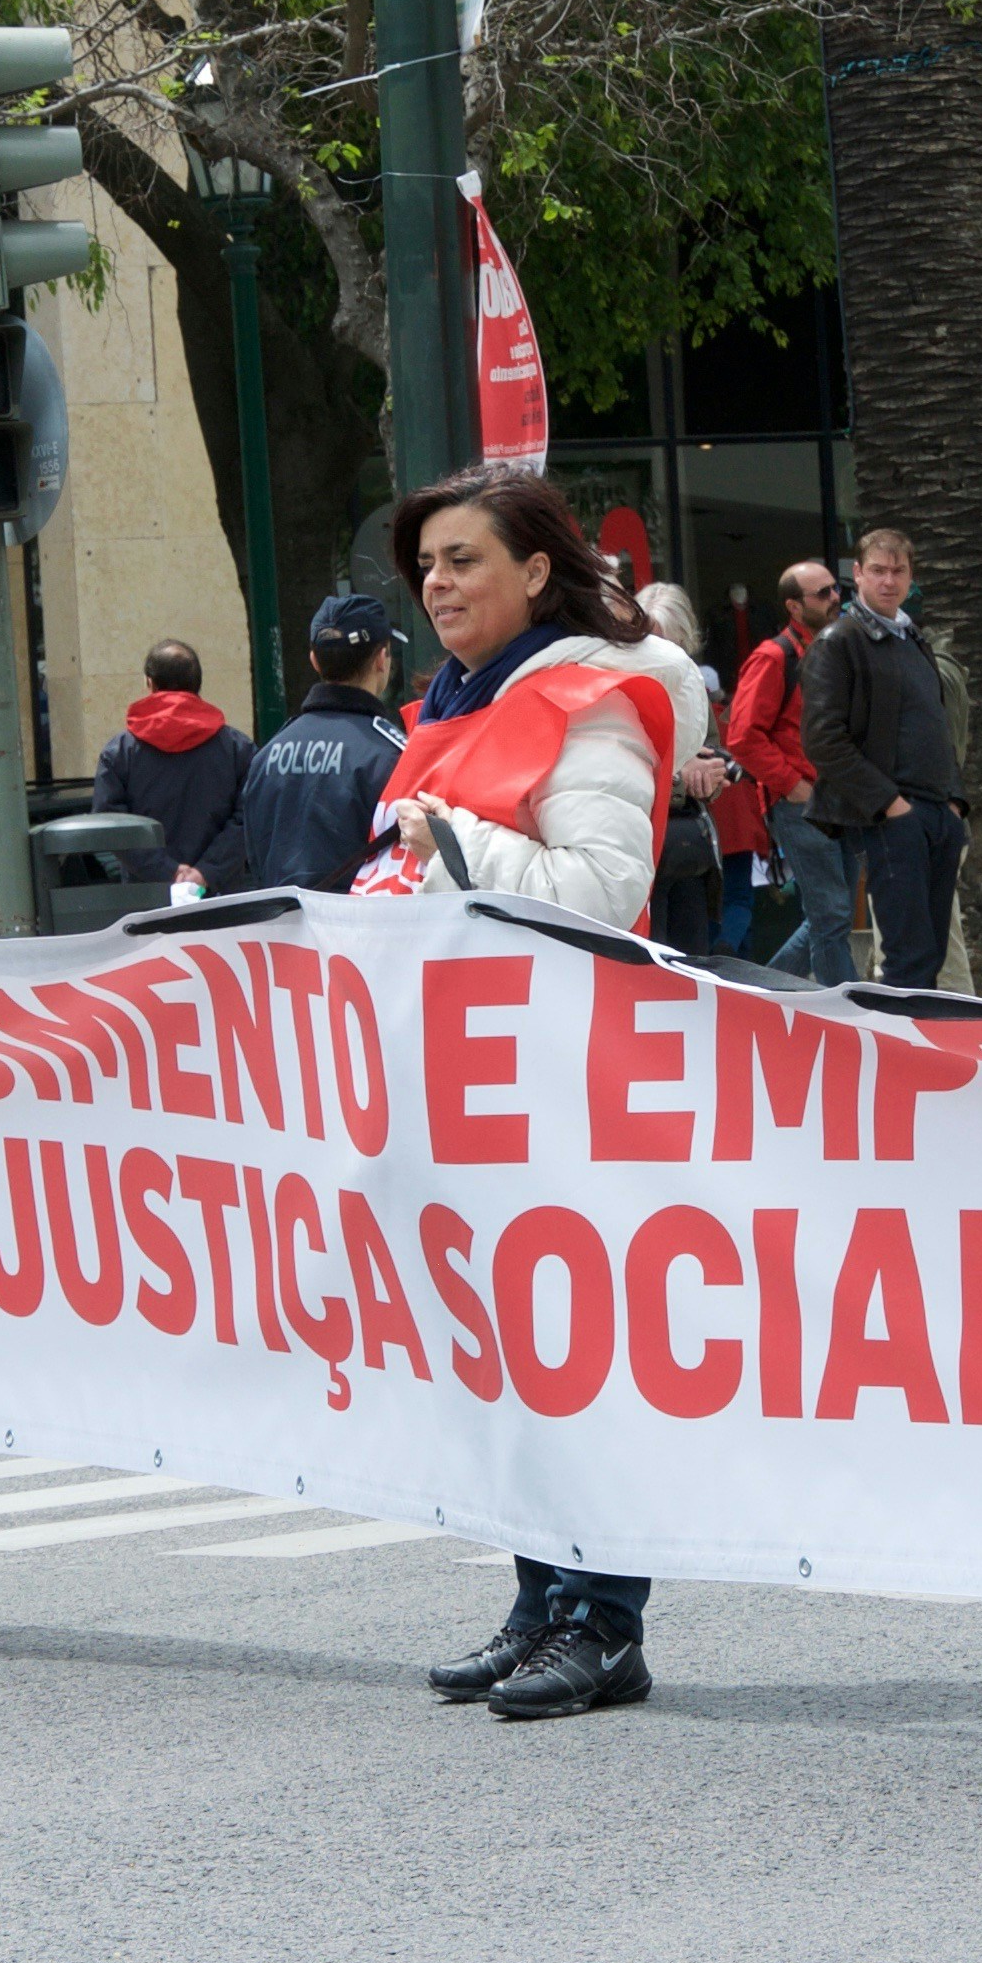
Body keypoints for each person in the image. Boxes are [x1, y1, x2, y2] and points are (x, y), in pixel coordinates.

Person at [359, 466, 705, 1721]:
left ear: (538, 571)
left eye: (463, 560)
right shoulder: (458, 704)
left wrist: (447, 842)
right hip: (477, 1080)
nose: (437, 584)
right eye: (426, 566)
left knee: (573, 1354)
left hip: (567, 1076)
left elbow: (602, 896)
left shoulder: (587, 702)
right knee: (504, 1352)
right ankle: (540, 1600)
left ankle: (603, 1621)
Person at [804, 526, 968, 988]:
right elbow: (822, 740)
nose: (888, 581)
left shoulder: (914, 639)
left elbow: (940, 724)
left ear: (911, 576)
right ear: (857, 574)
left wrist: (954, 804)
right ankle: (903, 1038)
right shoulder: (839, 641)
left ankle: (923, 1035)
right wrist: (889, 805)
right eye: (878, 570)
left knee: (931, 957)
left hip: (937, 813)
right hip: (890, 818)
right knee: (907, 959)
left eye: (898, 571)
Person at [728, 558, 854, 983]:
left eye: (836, 589)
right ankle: (845, 1008)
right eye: (823, 593)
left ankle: (758, 994)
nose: (835, 598)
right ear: (794, 606)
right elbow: (742, 737)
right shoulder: (773, 657)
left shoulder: (837, 649)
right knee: (831, 915)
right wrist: (793, 785)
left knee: (830, 916)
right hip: (804, 802)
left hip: (843, 799)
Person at [239, 596, 412, 892]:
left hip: (282, 920)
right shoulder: (391, 754)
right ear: (381, 659)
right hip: (363, 919)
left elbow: (255, 856)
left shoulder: (266, 755)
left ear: (314, 660)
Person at [90, 639, 252, 892]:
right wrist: (207, 871)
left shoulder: (119, 752)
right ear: (198, 683)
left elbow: (110, 824)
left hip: (147, 898)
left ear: (149, 683)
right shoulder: (237, 748)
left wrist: (168, 870)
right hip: (222, 896)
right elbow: (250, 817)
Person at [637, 582, 742, 953]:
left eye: (670, 643)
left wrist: (709, 776)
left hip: (687, 849)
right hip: (638, 846)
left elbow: (711, 753)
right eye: (650, 641)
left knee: (690, 961)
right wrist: (683, 777)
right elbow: (620, 770)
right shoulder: (622, 682)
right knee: (647, 964)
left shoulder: (691, 683)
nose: (660, 653)